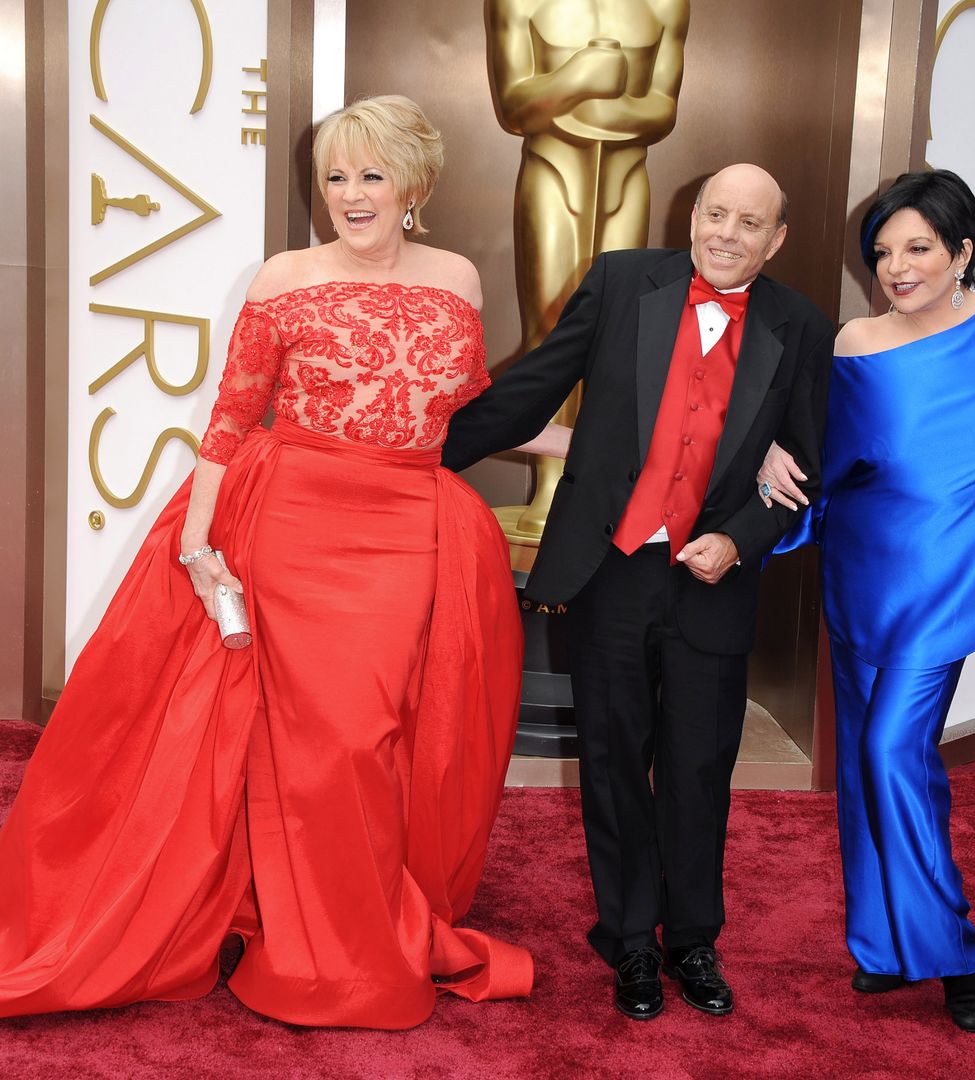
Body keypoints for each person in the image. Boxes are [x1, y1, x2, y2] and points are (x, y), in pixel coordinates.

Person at [0, 95, 556, 1028]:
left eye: (371, 174)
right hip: (295, 522)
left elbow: (467, 409)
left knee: (365, 737)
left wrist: (606, 448)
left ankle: (343, 924)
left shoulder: (457, 277)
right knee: (317, 743)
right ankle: (325, 945)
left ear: (413, 184)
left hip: (406, 532)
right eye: (335, 176)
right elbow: (230, 418)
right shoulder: (283, 277)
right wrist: (196, 539)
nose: (350, 194)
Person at [442, 164, 834, 1019]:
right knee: (615, 767)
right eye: (716, 214)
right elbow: (533, 386)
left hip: (713, 579)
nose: (727, 233)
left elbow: (807, 459)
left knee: (699, 770)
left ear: (777, 240)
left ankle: (692, 940)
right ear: (693, 215)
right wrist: (419, 449)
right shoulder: (624, 282)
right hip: (610, 570)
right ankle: (629, 944)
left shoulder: (801, 324)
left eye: (749, 222)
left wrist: (741, 539)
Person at [760, 169, 975, 1033]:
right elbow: (825, 452)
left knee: (894, 751)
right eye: (884, 252)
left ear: (962, 252)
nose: (897, 267)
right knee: (872, 758)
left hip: (951, 577)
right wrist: (768, 463)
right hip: (865, 570)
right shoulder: (857, 340)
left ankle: (952, 951)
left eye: (919, 249)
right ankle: (885, 943)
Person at [487, 0, 690, 535]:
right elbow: (514, 106)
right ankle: (551, 479)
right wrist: (579, 78)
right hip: (552, 175)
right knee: (550, 329)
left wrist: (582, 104)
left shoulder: (667, 5)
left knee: (617, 333)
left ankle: (591, 477)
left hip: (628, 177)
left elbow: (662, 110)